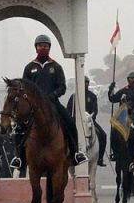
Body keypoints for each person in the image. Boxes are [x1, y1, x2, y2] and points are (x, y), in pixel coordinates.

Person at [13, 35, 83, 167]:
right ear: (36, 48)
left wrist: (52, 95)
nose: (43, 48)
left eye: (45, 46)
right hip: (34, 107)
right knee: (19, 126)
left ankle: (75, 153)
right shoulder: (29, 67)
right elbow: (24, 87)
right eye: (40, 46)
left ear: (49, 48)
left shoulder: (56, 67)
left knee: (69, 122)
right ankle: (19, 157)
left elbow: (62, 87)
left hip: (52, 104)